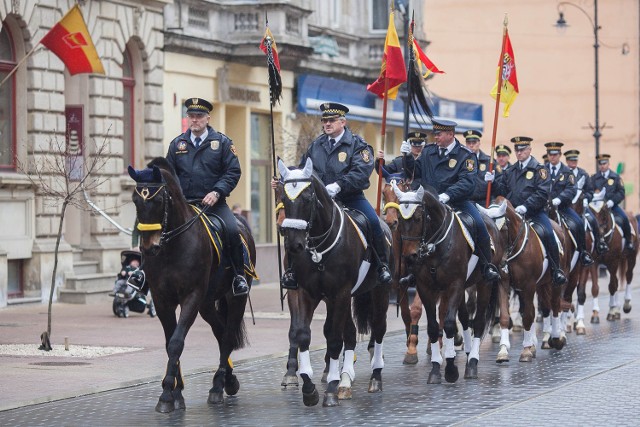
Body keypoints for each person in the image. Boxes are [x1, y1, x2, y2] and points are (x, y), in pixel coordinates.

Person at [274, 102, 392, 289]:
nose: (327, 124)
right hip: (320, 202)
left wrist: (339, 185)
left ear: (343, 122)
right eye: (324, 121)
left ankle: (382, 265)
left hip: (351, 198)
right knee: (295, 225)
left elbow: (361, 172)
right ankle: (292, 271)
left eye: (332, 120)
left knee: (373, 222)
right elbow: (304, 170)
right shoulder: (316, 146)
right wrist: (285, 179)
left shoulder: (358, 145)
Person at [154, 97, 248, 296]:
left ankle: (238, 276)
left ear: (208, 119)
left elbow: (233, 172)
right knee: (155, 229)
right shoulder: (177, 144)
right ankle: (145, 275)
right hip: (184, 204)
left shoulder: (222, 143)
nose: (194, 120)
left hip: (213, 204)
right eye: (191, 116)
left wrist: (217, 192)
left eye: (199, 116)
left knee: (232, 230)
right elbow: (169, 175)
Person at [400, 119, 500, 282]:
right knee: (411, 226)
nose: (436, 137)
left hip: (457, 202)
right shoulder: (428, 151)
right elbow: (415, 172)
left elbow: (468, 182)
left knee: (479, 225)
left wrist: (448, 194)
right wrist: (408, 157)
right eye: (435, 134)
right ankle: (413, 270)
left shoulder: (465, 155)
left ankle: (486, 265)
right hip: (431, 204)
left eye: (439, 134)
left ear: (450, 134)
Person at [485, 136, 567, 286]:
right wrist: (493, 181)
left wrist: (526, 206)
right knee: (495, 232)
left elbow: (542, 193)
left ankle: (556, 270)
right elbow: (503, 190)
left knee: (549, 233)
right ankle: (493, 267)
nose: (519, 152)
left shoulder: (540, 169)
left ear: (529, 150)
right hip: (512, 214)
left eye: (522, 150)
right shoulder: (511, 170)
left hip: (534, 213)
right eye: (517, 150)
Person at [544, 142, 593, 266]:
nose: (552, 157)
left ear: (560, 155)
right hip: (545, 208)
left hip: (563, 208)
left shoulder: (567, 171)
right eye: (550, 154)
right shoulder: (542, 170)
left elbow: (571, 189)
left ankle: (583, 252)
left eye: (555, 154)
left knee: (579, 223)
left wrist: (560, 199)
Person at [564, 149, 608, 254]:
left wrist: (586, 199)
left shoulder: (583, 173)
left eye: (575, 160)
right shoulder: (563, 172)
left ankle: (598, 244)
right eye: (571, 160)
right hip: (565, 206)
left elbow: (590, 191)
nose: (573, 162)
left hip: (581, 206)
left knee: (593, 220)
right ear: (566, 161)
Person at [590, 154, 634, 252]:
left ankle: (628, 242)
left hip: (612, 206)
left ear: (608, 164)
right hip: (598, 207)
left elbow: (621, 192)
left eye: (604, 163)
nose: (602, 165)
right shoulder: (593, 178)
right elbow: (589, 191)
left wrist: (612, 201)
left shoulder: (615, 177)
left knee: (625, 218)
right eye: (600, 163)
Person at [463, 130, 494, 206]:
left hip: (484, 203)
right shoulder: (461, 161)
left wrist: (494, 182)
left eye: (474, 143)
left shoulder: (489, 162)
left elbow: (500, 189)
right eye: (468, 143)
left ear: (479, 143)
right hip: (466, 202)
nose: (471, 145)